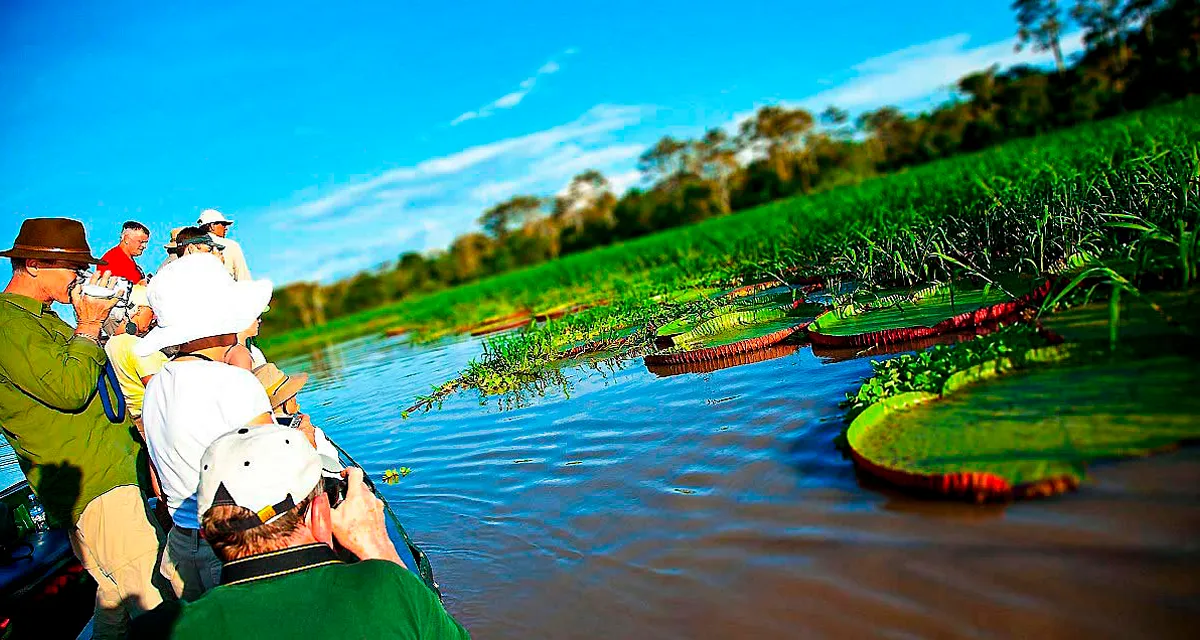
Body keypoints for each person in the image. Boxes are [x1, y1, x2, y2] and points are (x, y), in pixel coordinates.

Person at [131, 427, 470, 639]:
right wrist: (380, 549)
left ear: (206, 533)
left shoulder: (161, 630)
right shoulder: (388, 587)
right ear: (319, 513)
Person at [0, 218, 167, 638]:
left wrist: (96, 319)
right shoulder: (7, 325)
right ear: (34, 264)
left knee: (114, 602)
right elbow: (70, 389)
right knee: (155, 602)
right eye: (71, 266)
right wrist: (89, 323)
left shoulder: (45, 320)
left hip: (103, 478)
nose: (79, 275)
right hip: (97, 486)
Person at [138, 253, 278, 601]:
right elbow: (275, 471)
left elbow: (159, 469)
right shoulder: (233, 383)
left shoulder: (155, 386)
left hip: (183, 544)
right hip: (233, 542)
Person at [102, 284, 165, 423]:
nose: (154, 317)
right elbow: (159, 387)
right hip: (156, 418)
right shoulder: (138, 345)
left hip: (135, 419)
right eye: (152, 311)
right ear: (137, 309)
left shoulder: (109, 345)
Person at [197, 209, 250, 281]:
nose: (226, 228)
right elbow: (244, 280)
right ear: (212, 226)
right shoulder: (231, 245)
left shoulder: (189, 246)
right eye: (223, 224)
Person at [99, 220, 151, 284]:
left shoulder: (125, 259)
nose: (144, 246)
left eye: (146, 242)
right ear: (126, 239)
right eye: (141, 242)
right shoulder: (112, 261)